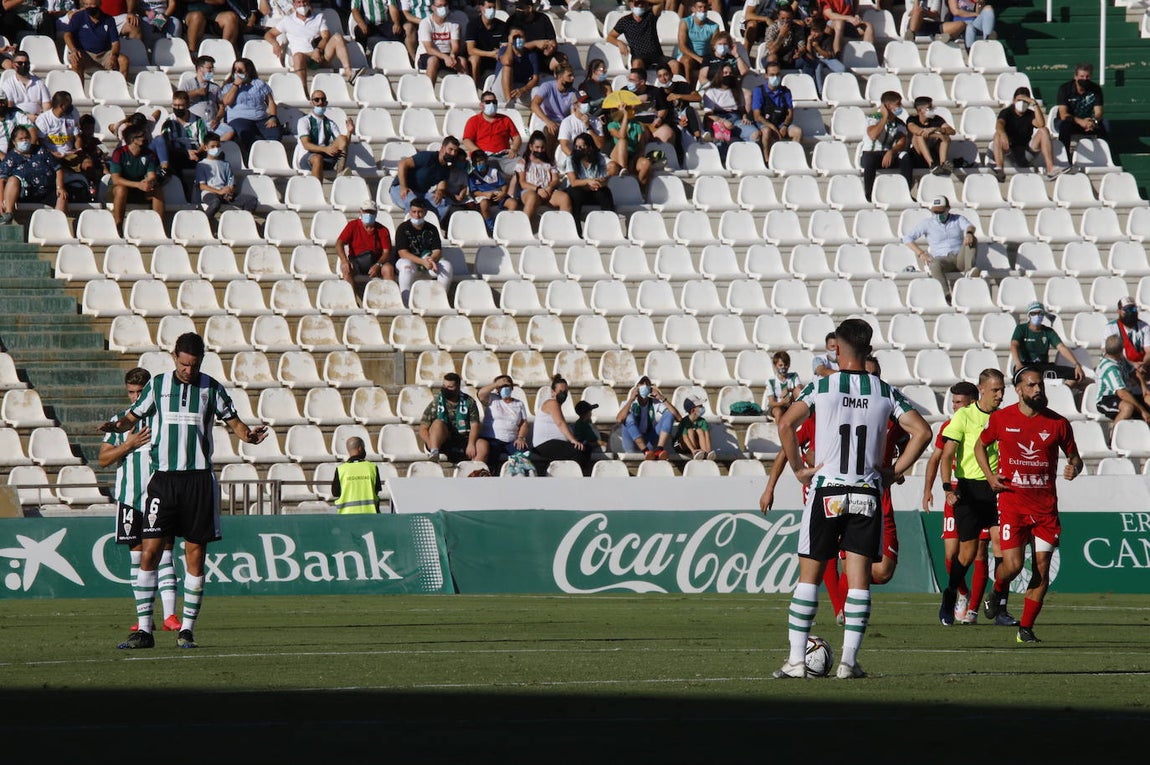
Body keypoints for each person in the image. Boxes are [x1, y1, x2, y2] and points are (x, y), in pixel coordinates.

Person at [763, 317, 930, 679]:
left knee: (809, 576)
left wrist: (797, 468)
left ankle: (795, 661)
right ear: (867, 348)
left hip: (827, 490)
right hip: (867, 493)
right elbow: (922, 431)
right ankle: (849, 663)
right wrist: (893, 471)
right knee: (858, 581)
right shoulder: (885, 391)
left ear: (836, 347)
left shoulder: (823, 385)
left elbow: (785, 425)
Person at [102, 331, 268, 650]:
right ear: (174, 356)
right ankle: (145, 630)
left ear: (201, 361)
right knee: (149, 551)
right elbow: (131, 417)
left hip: (198, 481)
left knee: (195, 555)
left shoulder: (211, 388)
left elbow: (234, 423)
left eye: (194, 365)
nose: (188, 370)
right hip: (163, 480)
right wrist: (116, 428)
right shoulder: (158, 385)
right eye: (184, 363)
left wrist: (249, 436)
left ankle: (187, 629)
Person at [974, 367, 1082, 643]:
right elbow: (979, 446)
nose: (1038, 390)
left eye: (1040, 386)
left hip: (1045, 509)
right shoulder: (1001, 418)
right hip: (1012, 503)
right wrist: (990, 476)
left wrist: (1074, 467)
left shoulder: (1058, 423)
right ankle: (998, 590)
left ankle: (1026, 628)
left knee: (1042, 568)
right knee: (1012, 565)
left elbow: (1075, 457)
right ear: (1019, 389)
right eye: (1032, 386)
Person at [98, 367, 182, 635]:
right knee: (137, 559)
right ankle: (145, 616)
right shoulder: (119, 422)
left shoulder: (161, 419)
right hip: (129, 498)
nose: (135, 397)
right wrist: (128, 445)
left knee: (166, 553)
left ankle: (171, 616)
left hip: (160, 496)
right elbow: (103, 459)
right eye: (131, 392)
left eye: (139, 392)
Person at [937, 368, 1017, 627]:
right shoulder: (964, 416)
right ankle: (950, 596)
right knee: (967, 553)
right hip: (970, 490)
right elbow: (947, 454)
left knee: (1002, 547)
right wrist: (947, 487)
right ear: (981, 389)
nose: (1000, 394)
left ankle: (1000, 606)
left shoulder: (1005, 417)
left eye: (1002, 389)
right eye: (995, 390)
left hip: (998, 489)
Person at [921, 380, 984, 624]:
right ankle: (962, 593)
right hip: (954, 494)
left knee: (978, 552)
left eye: (959, 402)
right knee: (951, 554)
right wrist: (928, 490)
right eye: (953, 402)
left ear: (972, 402)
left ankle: (973, 611)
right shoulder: (948, 426)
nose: (955, 406)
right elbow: (936, 458)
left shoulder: (985, 422)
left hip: (979, 492)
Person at [901, 195, 977, 305]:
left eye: (940, 212)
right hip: (943, 260)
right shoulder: (927, 223)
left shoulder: (957, 219)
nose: (937, 215)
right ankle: (947, 295)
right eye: (935, 212)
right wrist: (921, 253)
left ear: (948, 208)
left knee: (972, 238)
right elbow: (907, 238)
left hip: (960, 257)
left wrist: (969, 234)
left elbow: (970, 227)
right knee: (934, 264)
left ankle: (969, 270)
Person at [267, 0, 356, 88]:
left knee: (338, 37)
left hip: (318, 56)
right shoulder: (287, 20)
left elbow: (326, 37)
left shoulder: (319, 17)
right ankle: (303, 91)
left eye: (304, 2)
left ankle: (349, 73)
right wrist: (275, 44)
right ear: (294, 4)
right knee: (298, 56)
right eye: (299, 2)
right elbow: (269, 34)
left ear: (309, 3)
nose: (302, 5)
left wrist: (318, 49)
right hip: (301, 59)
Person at [393, 195, 454, 305]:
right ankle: (405, 302)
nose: (417, 215)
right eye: (414, 212)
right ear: (410, 212)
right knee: (406, 266)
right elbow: (403, 253)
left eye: (420, 212)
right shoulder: (403, 228)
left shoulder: (432, 228)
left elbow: (437, 250)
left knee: (447, 265)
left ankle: (441, 300)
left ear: (425, 212)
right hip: (411, 263)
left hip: (428, 263)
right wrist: (423, 262)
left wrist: (432, 259)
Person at [0, 126, 67, 223]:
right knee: (12, 180)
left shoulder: (41, 151)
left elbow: (58, 169)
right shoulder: (10, 157)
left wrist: (60, 187)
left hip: (47, 191)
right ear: (14, 142)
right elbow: (2, 180)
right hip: (24, 194)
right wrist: (1, 200)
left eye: (26, 138)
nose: (24, 141)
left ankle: (57, 224)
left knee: (62, 196)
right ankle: (8, 214)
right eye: (21, 139)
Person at [992, 86, 1059, 182]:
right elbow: (999, 124)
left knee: (1044, 130)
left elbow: (1041, 124)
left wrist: (1034, 104)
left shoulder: (1030, 114)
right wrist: (1003, 134)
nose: (1022, 103)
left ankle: (1050, 169)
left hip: (1027, 153)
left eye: (1025, 101)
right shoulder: (1006, 112)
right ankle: (1000, 170)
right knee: (997, 134)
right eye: (1019, 100)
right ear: (1014, 100)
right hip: (1010, 152)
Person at [531, 374, 593, 476]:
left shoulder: (557, 406)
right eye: (560, 391)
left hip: (554, 444)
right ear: (553, 392)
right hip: (544, 445)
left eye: (565, 392)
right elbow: (560, 423)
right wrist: (573, 440)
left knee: (587, 448)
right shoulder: (552, 403)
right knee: (578, 451)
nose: (563, 394)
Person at [1009, 301, 1085, 384]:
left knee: (1076, 375)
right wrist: (1018, 364)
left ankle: (1064, 391)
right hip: (1026, 365)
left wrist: (1076, 364)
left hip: (1043, 366)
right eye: (1034, 313)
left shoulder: (1048, 331)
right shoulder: (1021, 329)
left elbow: (1061, 348)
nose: (1037, 316)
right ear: (1029, 315)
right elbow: (1014, 345)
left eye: (1040, 313)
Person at [195, 131, 258, 227]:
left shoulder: (226, 164)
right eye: (212, 146)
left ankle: (242, 225)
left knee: (251, 200)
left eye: (218, 146)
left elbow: (231, 182)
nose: (216, 149)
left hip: (224, 195)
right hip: (210, 194)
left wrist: (229, 191)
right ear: (205, 148)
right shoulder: (202, 165)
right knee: (215, 203)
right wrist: (219, 192)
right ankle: (203, 224)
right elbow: (202, 186)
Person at [220, 58, 281, 156]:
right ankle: (255, 157)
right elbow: (226, 102)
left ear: (248, 70)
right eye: (235, 69)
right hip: (239, 118)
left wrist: (273, 117)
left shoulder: (259, 84)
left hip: (260, 118)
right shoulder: (229, 86)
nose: (237, 72)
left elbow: (270, 102)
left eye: (240, 70)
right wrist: (236, 85)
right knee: (246, 134)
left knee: (274, 132)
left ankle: (271, 157)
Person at [389, 136, 461, 219]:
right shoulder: (427, 157)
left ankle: (431, 226)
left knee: (443, 203)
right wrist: (403, 187)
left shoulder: (445, 168)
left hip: (421, 194)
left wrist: (440, 192)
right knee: (414, 202)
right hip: (400, 189)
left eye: (455, 151)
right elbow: (402, 164)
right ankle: (411, 227)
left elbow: (442, 186)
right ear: (443, 148)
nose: (453, 153)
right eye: (450, 149)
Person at [861, 90, 913, 202]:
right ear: (888, 106)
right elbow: (873, 135)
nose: (901, 107)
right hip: (871, 153)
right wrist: (884, 117)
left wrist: (891, 152)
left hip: (888, 154)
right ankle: (869, 195)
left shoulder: (899, 123)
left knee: (905, 156)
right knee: (870, 159)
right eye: (898, 104)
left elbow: (901, 143)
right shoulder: (873, 117)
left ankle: (906, 192)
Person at [109, 125, 164, 231]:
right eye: (142, 136)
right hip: (118, 190)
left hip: (140, 189)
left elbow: (151, 175)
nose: (145, 138)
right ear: (132, 139)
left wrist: (148, 182)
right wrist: (138, 184)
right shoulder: (119, 153)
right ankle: (118, 226)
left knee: (157, 190)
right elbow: (116, 179)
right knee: (121, 189)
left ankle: (159, 227)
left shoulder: (149, 154)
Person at [419, 372, 482, 464]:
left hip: (463, 438)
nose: (446, 389)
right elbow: (423, 428)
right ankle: (434, 453)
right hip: (443, 441)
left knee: (483, 446)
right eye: (444, 386)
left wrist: (471, 444)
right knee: (437, 423)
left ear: (458, 387)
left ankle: (475, 473)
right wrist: (431, 443)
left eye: (450, 387)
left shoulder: (469, 401)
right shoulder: (436, 403)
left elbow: (475, 425)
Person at [337, 199, 394, 301]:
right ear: (361, 212)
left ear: (376, 214)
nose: (368, 214)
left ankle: (389, 300)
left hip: (376, 261)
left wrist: (378, 264)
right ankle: (352, 301)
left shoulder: (382, 230)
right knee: (346, 269)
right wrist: (344, 260)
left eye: (371, 212)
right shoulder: (352, 225)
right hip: (357, 261)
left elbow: (386, 252)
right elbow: (339, 243)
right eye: (366, 211)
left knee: (388, 269)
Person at [515, 130, 571, 228]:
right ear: (531, 147)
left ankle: (564, 228)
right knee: (533, 197)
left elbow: (555, 179)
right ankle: (522, 228)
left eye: (542, 147)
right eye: (537, 147)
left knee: (564, 198)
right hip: (530, 191)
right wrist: (538, 189)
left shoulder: (549, 163)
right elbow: (522, 182)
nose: (540, 150)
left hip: (547, 191)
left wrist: (549, 187)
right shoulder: (523, 162)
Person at [158, 90, 209, 197]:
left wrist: (195, 152)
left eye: (181, 106)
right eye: (175, 105)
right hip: (177, 154)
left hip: (196, 154)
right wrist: (186, 152)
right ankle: (183, 189)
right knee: (170, 156)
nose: (177, 108)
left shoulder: (198, 121)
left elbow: (203, 143)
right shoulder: (169, 122)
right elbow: (166, 143)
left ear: (187, 105)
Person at [562, 132, 615, 235]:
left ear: (589, 148)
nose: (578, 149)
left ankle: (608, 230)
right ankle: (576, 233)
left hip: (594, 190)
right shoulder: (571, 159)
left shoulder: (599, 158)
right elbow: (573, 182)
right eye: (576, 147)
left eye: (582, 147)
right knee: (575, 193)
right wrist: (588, 181)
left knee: (605, 192)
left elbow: (612, 169)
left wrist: (601, 181)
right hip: (578, 189)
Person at [1055, 63, 1107, 167]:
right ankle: (1066, 159)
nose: (1085, 79)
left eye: (1087, 76)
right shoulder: (1065, 89)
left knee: (1106, 125)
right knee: (1065, 127)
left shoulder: (1096, 89)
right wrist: (1081, 122)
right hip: (1069, 121)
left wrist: (1093, 121)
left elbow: (1099, 112)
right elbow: (1064, 114)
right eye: (1082, 76)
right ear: (1075, 77)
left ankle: (1106, 157)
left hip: (1088, 121)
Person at [751, 60, 802, 163]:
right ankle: (767, 160)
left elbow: (790, 113)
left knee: (798, 132)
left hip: (781, 123)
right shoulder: (759, 90)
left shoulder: (786, 91)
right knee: (766, 131)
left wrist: (785, 126)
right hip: (765, 123)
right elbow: (757, 116)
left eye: (777, 74)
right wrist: (772, 127)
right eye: (772, 75)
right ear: (766, 75)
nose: (775, 77)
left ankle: (792, 159)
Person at [617, 375, 678, 460]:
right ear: (637, 387)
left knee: (669, 415)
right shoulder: (627, 403)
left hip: (649, 439)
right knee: (628, 417)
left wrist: (662, 398)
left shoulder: (655, 403)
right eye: (642, 383)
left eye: (647, 383)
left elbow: (677, 417)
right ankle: (645, 451)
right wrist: (631, 399)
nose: (645, 385)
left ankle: (659, 449)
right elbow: (619, 419)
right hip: (632, 441)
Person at [476, 374, 529, 473]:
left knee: (523, 454)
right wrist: (496, 384)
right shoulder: (492, 399)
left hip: (511, 441)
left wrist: (521, 437)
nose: (505, 388)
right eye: (501, 386)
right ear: (497, 389)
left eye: (507, 385)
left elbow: (524, 423)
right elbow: (480, 394)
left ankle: (517, 477)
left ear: (512, 388)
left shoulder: (519, 404)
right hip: (492, 439)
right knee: (491, 456)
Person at [293, 89, 351, 178]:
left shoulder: (331, 123)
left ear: (326, 103)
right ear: (311, 103)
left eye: (323, 100)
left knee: (343, 138)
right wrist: (325, 149)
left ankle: (340, 173)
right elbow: (306, 145)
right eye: (317, 100)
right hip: (307, 157)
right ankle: (317, 191)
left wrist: (349, 132)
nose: (320, 102)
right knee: (317, 158)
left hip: (326, 158)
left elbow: (343, 144)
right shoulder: (304, 121)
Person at [64, 0, 130, 78]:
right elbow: (67, 35)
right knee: (75, 61)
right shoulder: (78, 17)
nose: (89, 7)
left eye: (92, 4)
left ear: (99, 4)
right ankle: (79, 89)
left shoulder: (109, 19)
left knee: (123, 61)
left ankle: (120, 88)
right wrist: (73, 50)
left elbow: (115, 42)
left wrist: (114, 55)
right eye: (86, 4)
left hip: (104, 54)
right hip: (84, 53)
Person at [608, 0, 676, 74]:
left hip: (657, 56)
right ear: (630, 4)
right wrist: (619, 42)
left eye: (642, 3)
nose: (640, 5)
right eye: (637, 4)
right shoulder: (625, 21)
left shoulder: (650, 15)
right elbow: (610, 37)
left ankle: (676, 85)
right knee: (637, 64)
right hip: (639, 56)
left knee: (674, 64)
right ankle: (639, 84)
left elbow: (660, 2)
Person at [1095, 334, 1150, 423]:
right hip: (1107, 398)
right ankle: (1114, 435)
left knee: (1148, 399)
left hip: (1124, 394)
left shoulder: (1120, 358)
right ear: (1121, 350)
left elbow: (1134, 372)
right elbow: (1122, 393)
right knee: (1128, 408)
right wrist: (1142, 411)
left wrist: (1144, 388)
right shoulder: (1110, 368)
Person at [462, 91, 523, 167]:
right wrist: (478, 152)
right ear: (481, 105)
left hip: (504, 156)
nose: (492, 104)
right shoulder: (473, 121)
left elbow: (516, 137)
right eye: (488, 102)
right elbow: (467, 140)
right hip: (484, 157)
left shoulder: (505, 119)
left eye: (494, 102)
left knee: (522, 165)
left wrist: (514, 149)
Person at [529, 62, 578, 151]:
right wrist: (548, 121)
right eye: (569, 76)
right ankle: (548, 161)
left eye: (573, 75)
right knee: (552, 130)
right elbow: (534, 104)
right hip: (545, 120)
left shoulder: (573, 93)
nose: (573, 78)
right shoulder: (547, 86)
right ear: (560, 76)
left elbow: (573, 113)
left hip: (562, 123)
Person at [467, 149, 517, 233]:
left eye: (481, 161)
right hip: (485, 197)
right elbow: (474, 192)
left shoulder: (494, 172)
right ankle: (492, 227)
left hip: (498, 196)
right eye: (477, 162)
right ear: (473, 164)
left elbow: (504, 185)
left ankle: (506, 225)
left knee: (513, 203)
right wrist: (485, 194)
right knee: (484, 204)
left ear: (486, 160)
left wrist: (503, 193)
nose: (480, 164)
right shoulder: (472, 176)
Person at [506, 0, 559, 76]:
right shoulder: (512, 20)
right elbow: (513, 46)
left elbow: (553, 41)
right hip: (523, 57)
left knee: (561, 60)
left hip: (543, 57)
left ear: (530, 8)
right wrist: (535, 44)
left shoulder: (543, 18)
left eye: (520, 8)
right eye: (517, 8)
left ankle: (557, 86)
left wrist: (551, 48)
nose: (518, 10)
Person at [331, 436, 383, 513]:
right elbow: (376, 490)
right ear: (360, 448)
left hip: (347, 517)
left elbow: (335, 493)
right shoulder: (372, 467)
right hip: (370, 516)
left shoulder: (341, 469)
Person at [906, 95, 955, 176]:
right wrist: (939, 136)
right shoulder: (912, 120)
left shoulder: (937, 119)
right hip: (916, 155)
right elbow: (917, 131)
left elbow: (952, 131)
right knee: (919, 136)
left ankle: (943, 164)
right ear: (920, 110)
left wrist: (936, 129)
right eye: (929, 107)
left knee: (946, 137)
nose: (933, 109)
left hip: (933, 152)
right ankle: (931, 164)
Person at [496, 28, 542, 108]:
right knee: (507, 67)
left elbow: (535, 78)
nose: (518, 39)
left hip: (520, 89)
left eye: (521, 37)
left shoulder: (531, 54)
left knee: (538, 91)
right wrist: (510, 43)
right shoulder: (504, 50)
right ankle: (509, 101)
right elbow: (507, 61)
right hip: (501, 88)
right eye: (515, 37)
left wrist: (523, 89)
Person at [677, 0, 719, 85]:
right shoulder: (685, 22)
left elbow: (714, 46)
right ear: (693, 9)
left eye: (705, 7)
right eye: (700, 7)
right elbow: (682, 46)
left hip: (705, 56)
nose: (703, 10)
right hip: (688, 55)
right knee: (687, 61)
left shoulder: (714, 26)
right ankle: (688, 87)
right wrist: (698, 58)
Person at [1103, 296, 1150, 371]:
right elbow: (1108, 353)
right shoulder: (1111, 327)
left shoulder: (1144, 326)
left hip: (1143, 366)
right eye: (1126, 310)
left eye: (1133, 309)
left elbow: (1149, 351)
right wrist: (1132, 365)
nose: (1130, 313)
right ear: (1118, 311)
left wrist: (1142, 364)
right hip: (1121, 367)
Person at [466, 0, 507, 85]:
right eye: (489, 7)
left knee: (506, 58)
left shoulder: (502, 25)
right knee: (474, 59)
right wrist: (491, 54)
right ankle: (475, 88)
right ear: (481, 8)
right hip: (481, 58)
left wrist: (499, 52)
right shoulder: (472, 25)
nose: (492, 10)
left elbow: (505, 46)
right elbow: (471, 50)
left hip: (496, 58)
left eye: (494, 8)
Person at [0, 50, 50, 117]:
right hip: (18, 121)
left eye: (26, 63)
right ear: (13, 64)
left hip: (38, 119)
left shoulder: (39, 83)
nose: (23, 65)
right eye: (20, 63)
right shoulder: (8, 84)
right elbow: (10, 109)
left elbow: (47, 106)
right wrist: (27, 117)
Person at [558, 92, 606, 158]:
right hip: (573, 157)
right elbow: (564, 146)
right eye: (584, 102)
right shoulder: (567, 122)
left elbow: (600, 145)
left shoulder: (596, 120)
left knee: (612, 166)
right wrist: (577, 161)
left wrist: (588, 127)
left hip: (593, 157)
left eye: (588, 101)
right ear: (575, 105)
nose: (587, 104)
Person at [766, 350, 801, 421]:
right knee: (778, 412)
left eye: (786, 365)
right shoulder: (771, 381)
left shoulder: (794, 376)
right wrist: (782, 403)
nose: (783, 367)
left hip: (791, 406)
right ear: (775, 365)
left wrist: (788, 389)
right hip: (776, 406)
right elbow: (772, 403)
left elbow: (800, 388)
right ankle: (780, 432)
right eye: (780, 365)